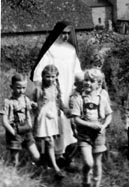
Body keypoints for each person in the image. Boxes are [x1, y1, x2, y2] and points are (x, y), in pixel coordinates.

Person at [30, 21, 82, 154]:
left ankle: (68, 150)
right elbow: (39, 71)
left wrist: (81, 82)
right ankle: (55, 152)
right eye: (62, 33)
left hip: (69, 87)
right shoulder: (50, 50)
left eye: (68, 33)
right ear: (57, 33)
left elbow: (77, 71)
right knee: (55, 118)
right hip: (54, 88)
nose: (65, 36)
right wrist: (41, 89)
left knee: (68, 118)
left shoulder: (71, 50)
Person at [70, 69, 112, 187]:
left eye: (91, 81)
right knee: (88, 163)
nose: (87, 83)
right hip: (84, 135)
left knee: (97, 163)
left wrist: (104, 125)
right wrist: (90, 125)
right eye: (86, 80)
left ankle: (95, 184)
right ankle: (85, 181)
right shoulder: (79, 99)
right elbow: (76, 119)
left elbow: (109, 115)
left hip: (98, 135)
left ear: (98, 84)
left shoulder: (102, 99)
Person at [33, 65, 67, 178]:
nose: (50, 79)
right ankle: (55, 167)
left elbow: (59, 102)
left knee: (49, 143)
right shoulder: (39, 89)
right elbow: (36, 106)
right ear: (43, 76)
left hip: (53, 118)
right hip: (43, 118)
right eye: (48, 77)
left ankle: (46, 165)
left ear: (56, 77)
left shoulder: (56, 87)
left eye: (53, 77)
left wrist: (66, 109)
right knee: (48, 142)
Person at [2, 73, 40, 166]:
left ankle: (30, 165)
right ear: (12, 87)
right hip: (14, 132)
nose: (21, 91)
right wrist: (13, 132)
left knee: (36, 156)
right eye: (18, 88)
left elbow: (28, 113)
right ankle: (13, 174)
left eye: (24, 88)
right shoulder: (8, 102)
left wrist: (30, 124)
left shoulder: (26, 99)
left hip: (26, 130)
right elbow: (4, 121)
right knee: (15, 161)